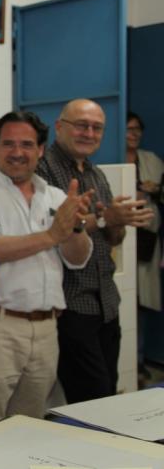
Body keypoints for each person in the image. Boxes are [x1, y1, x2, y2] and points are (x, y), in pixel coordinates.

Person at [0, 111, 93, 424]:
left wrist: (76, 225)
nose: (17, 152)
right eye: (8, 144)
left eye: (27, 145)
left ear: (40, 150)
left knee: (30, 424)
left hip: (47, 330)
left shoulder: (54, 196)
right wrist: (53, 234)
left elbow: (77, 259)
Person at [37, 98, 153, 403]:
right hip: (70, 306)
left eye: (96, 128)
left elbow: (112, 238)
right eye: (81, 125)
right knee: (92, 401)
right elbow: (52, 230)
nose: (89, 133)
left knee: (108, 396)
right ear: (59, 127)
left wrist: (119, 220)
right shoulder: (43, 171)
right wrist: (104, 218)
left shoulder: (96, 174)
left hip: (106, 305)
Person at [125, 111, 164, 383]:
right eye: (129, 129)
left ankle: (138, 361)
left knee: (141, 303)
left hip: (147, 239)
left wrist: (155, 189)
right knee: (126, 299)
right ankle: (128, 362)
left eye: (137, 129)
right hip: (121, 238)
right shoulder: (112, 155)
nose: (134, 134)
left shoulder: (151, 160)